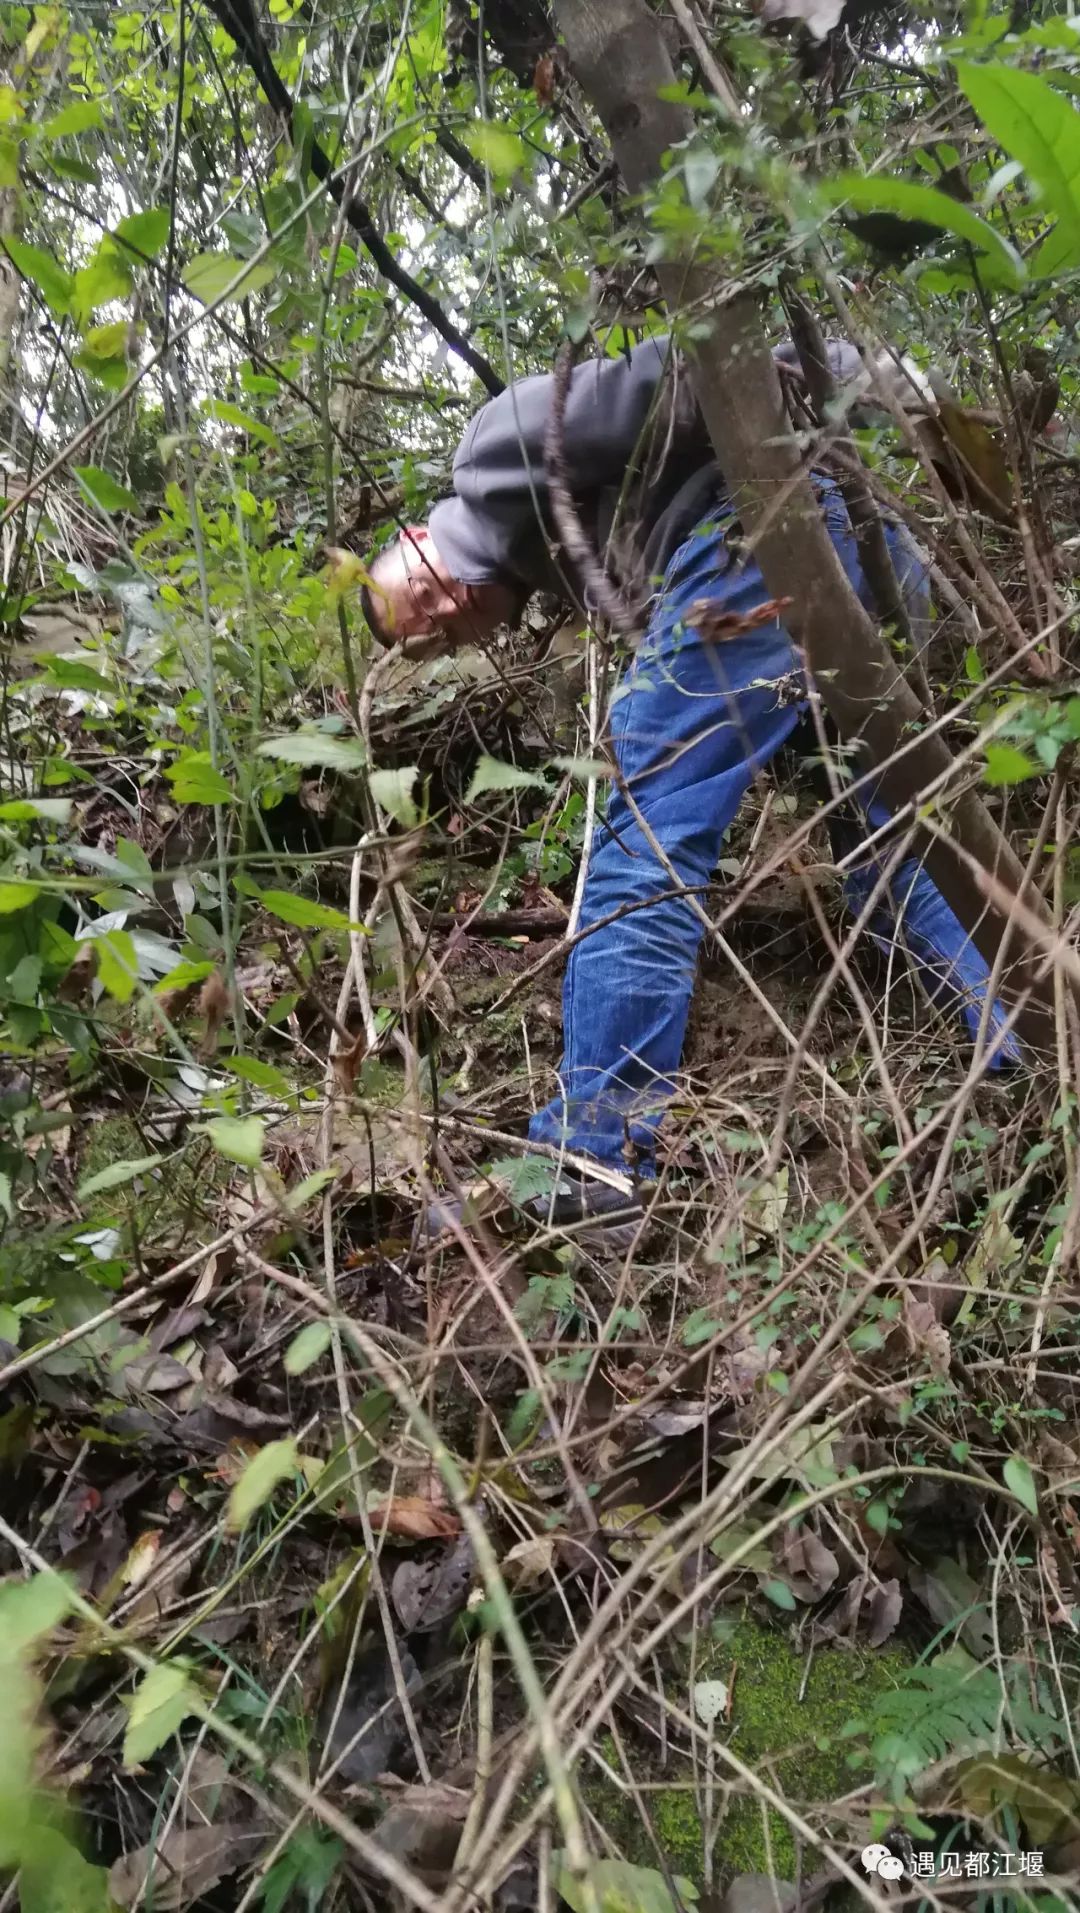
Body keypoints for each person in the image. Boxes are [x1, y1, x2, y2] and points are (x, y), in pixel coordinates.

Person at [362, 335, 1015, 1244]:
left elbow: (687, 367)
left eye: (418, 595)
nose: (440, 617)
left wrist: (851, 372)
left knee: (646, 840)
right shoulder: (550, 549)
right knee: (892, 835)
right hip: (864, 539)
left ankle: (595, 1158)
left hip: (768, 525)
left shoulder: (488, 458)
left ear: (413, 537)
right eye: (429, 640)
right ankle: (1021, 1053)